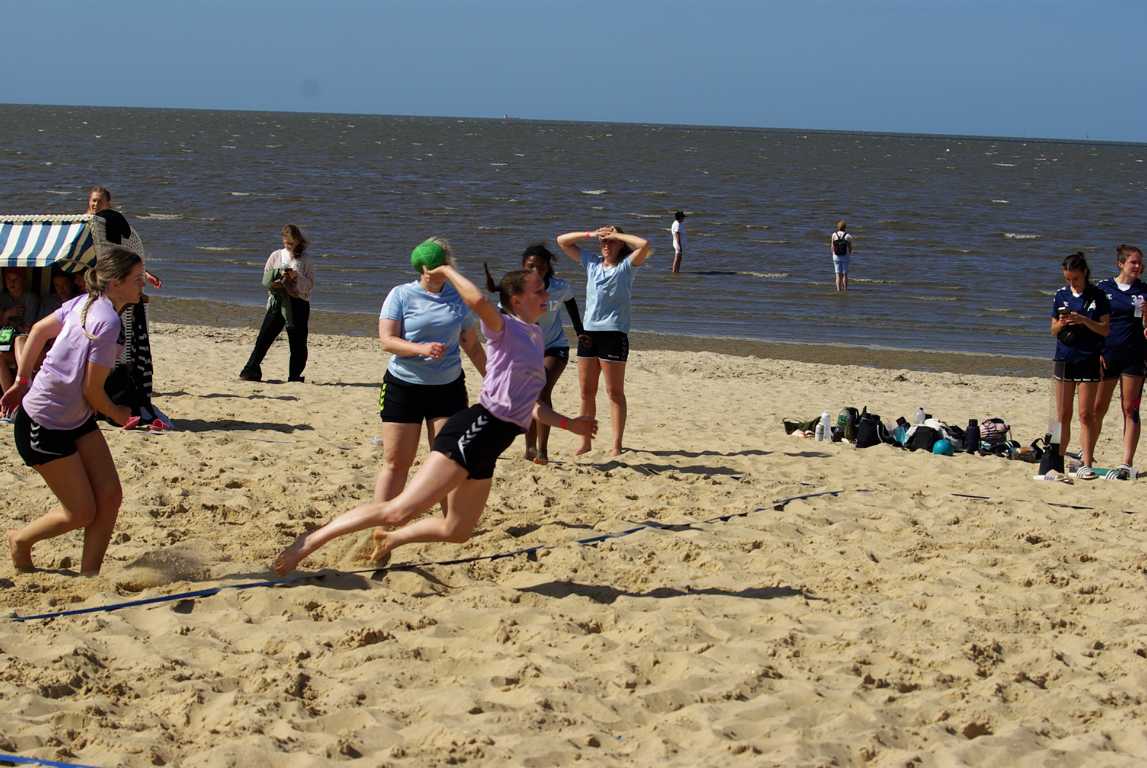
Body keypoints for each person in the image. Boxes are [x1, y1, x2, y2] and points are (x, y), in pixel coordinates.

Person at [272, 264, 596, 575]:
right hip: (474, 431)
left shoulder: (535, 335)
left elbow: (530, 405)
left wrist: (570, 424)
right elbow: (477, 301)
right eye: (538, 290)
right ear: (517, 300)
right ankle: (309, 542)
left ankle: (391, 540)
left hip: (490, 446)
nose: (546, 294)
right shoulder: (503, 327)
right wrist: (447, 272)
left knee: (456, 530)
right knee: (398, 510)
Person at [2, 247, 144, 575]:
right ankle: (20, 540)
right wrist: (119, 415)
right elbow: (92, 391)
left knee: (110, 495)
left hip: (75, 418)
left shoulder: (87, 301)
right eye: (137, 279)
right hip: (42, 425)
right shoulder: (106, 320)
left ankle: (89, 576)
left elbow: (38, 331)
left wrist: (22, 380)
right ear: (116, 283)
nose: (142, 285)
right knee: (80, 512)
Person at [372, 238, 486, 519]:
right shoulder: (401, 295)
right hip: (403, 386)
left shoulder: (457, 298)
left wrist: (493, 378)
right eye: (432, 266)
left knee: (447, 461)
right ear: (421, 268)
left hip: (447, 389)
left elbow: (471, 345)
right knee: (397, 462)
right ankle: (381, 523)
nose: (437, 271)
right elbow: (387, 340)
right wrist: (420, 349)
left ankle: (450, 523)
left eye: (442, 265)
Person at [484, 244, 585, 464]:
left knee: (541, 388)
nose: (536, 271)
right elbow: (502, 317)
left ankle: (543, 451)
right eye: (531, 267)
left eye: (541, 267)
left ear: (548, 267)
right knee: (530, 394)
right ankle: (530, 448)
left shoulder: (559, 287)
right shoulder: (515, 289)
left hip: (555, 347)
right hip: (528, 350)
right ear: (523, 266)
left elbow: (571, 305)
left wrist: (580, 331)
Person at [556, 226, 652, 456]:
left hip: (614, 333)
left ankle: (617, 444)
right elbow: (562, 241)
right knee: (586, 391)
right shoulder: (592, 262)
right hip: (589, 334)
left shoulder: (627, 265)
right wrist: (591, 234)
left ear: (620, 244)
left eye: (611, 241)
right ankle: (585, 442)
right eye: (604, 242)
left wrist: (616, 234)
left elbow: (645, 245)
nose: (606, 245)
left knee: (614, 392)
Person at [86, 186, 167, 427]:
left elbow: (129, 259)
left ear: (108, 203)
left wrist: (146, 275)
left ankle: (120, 403)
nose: (94, 204)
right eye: (92, 200)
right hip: (103, 295)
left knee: (121, 353)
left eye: (99, 201)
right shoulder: (86, 229)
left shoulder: (112, 229)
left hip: (117, 296)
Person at [1050, 252, 1111, 480]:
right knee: (1062, 415)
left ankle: (1086, 463)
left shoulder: (1098, 296)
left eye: (1075, 278)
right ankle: (1058, 459)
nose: (1072, 283)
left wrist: (1084, 320)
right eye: (1068, 279)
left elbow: (1105, 329)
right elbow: (1053, 330)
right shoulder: (1061, 295)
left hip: (1088, 358)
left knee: (1086, 414)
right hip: (1064, 358)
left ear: (1084, 273)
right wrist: (1063, 322)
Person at [1092, 244, 1147, 479]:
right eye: (1133, 262)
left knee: (1130, 409)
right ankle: (1087, 455)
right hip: (1107, 355)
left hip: (1135, 356)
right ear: (1121, 263)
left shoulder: (1144, 291)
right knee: (1097, 408)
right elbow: (1092, 322)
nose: (1138, 266)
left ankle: (1126, 462)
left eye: (1140, 263)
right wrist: (1095, 351)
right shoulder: (1103, 288)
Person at [239, 225, 315, 383]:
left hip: (299, 303)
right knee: (264, 337)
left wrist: (296, 277)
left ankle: (294, 376)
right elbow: (266, 278)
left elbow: (310, 285)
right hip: (278, 301)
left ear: (298, 241)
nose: (288, 246)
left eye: (291, 243)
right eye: (286, 242)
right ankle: (250, 370)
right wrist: (277, 280)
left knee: (298, 342)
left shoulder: (305, 259)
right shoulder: (276, 255)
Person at [0, 268, 41, 394]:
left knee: (19, 340)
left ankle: (25, 389)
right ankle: (9, 398)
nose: (11, 283)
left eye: (15, 279)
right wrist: (7, 314)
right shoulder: (3, 298)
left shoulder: (30, 298)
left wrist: (13, 324)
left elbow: (27, 329)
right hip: (4, 342)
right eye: (8, 279)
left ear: (23, 280)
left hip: (23, 344)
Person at [830, 220, 853, 292]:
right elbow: (850, 248)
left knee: (838, 275)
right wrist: (849, 254)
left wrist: (833, 254)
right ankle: (845, 290)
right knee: (845, 274)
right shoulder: (848, 236)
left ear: (838, 227)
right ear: (845, 227)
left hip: (836, 256)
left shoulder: (834, 234)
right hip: (845, 256)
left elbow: (832, 247)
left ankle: (838, 290)